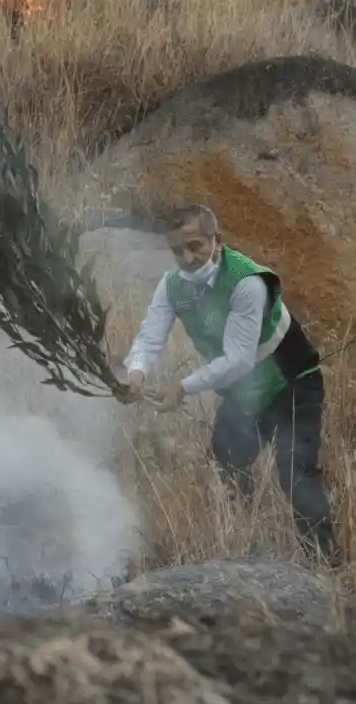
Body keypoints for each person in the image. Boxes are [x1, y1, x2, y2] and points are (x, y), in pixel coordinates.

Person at [120, 203, 337, 558]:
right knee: (226, 458)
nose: (187, 258)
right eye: (178, 251)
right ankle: (252, 548)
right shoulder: (172, 285)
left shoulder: (247, 282)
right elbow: (150, 337)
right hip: (246, 394)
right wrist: (136, 372)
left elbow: (238, 359)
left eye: (195, 246)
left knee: (296, 473)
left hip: (292, 383)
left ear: (215, 241)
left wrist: (183, 388)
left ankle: (325, 563)